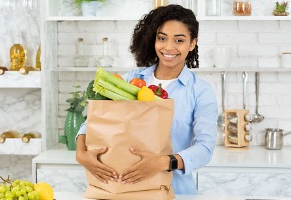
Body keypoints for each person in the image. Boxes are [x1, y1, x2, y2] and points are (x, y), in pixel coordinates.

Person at [76, 4, 218, 195]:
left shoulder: (200, 91)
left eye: (179, 40)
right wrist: (81, 153)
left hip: (176, 191)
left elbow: (205, 148)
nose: (169, 47)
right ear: (154, 40)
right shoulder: (132, 80)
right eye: (162, 38)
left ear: (192, 44)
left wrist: (162, 162)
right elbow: (94, 121)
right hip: (121, 189)